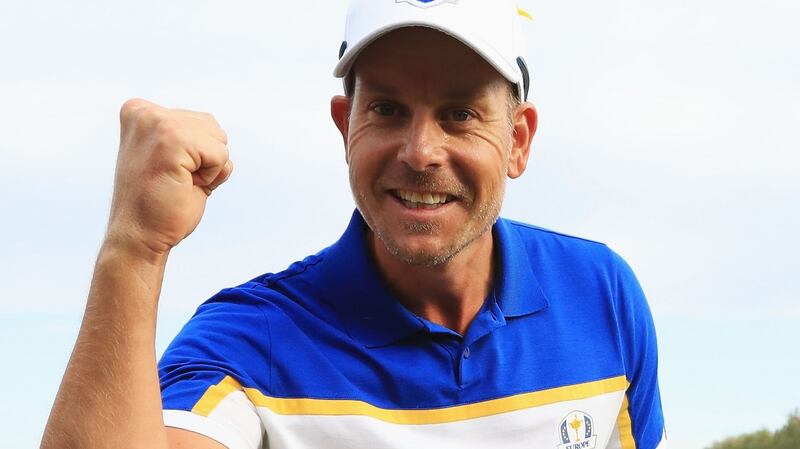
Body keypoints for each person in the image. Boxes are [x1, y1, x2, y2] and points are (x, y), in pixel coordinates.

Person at [41, 0, 666, 448]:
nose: (420, 151)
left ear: (518, 141)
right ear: (346, 127)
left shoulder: (602, 295)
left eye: (458, 114)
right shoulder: (250, 341)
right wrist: (135, 250)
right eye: (389, 109)